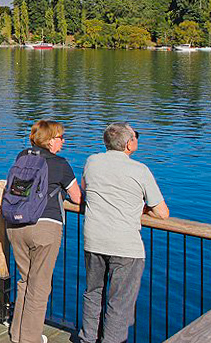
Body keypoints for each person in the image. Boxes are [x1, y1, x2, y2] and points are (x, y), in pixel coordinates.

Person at [79, 123, 169, 343]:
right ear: (129, 143)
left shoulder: (92, 161)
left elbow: (85, 191)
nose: (137, 140)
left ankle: (88, 338)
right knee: (120, 301)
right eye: (136, 136)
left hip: (94, 240)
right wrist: (140, 208)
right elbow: (162, 213)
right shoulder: (140, 170)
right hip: (125, 246)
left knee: (93, 293)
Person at [6, 120, 82, 343]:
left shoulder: (23, 157)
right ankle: (30, 339)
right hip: (45, 228)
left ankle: (18, 333)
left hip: (16, 225)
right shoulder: (60, 164)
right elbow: (77, 197)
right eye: (60, 138)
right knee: (39, 286)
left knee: (25, 280)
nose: (63, 142)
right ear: (50, 140)